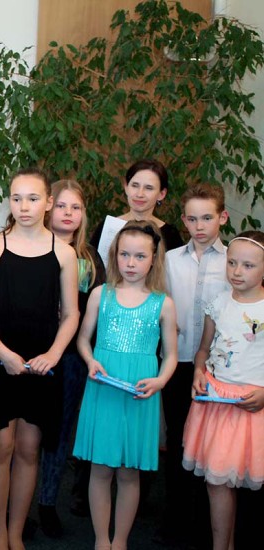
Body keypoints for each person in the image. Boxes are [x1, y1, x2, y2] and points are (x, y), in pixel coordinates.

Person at [0, 168, 79, 550]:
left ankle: (16, 532)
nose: (24, 206)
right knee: (1, 445)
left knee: (30, 448)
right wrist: (3, 354)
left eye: (33, 198)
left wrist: (53, 354)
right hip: (0, 359)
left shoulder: (64, 253)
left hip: (42, 363)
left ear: (48, 202)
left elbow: (71, 314)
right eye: (16, 198)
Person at [72, 221, 178, 550]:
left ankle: (120, 542)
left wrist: (160, 380)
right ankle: (101, 540)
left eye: (140, 256)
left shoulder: (163, 303)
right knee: (101, 468)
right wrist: (90, 361)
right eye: (124, 255)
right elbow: (83, 339)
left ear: (153, 259)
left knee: (130, 472)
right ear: (114, 255)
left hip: (139, 393)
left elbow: (171, 355)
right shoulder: (100, 295)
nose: (131, 263)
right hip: (103, 387)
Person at [182, 231, 264, 550]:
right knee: (217, 482)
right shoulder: (218, 303)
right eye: (232, 263)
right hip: (217, 402)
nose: (237, 271)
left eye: (248, 265)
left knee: (239, 483)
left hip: (252, 407)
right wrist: (198, 371)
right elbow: (204, 349)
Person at [160, 183, 229, 546]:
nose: (199, 226)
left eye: (207, 218)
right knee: (178, 440)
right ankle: (175, 520)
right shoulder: (170, 259)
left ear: (222, 217)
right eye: (192, 219)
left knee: (212, 444)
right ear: (183, 219)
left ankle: (207, 525)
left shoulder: (233, 261)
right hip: (178, 361)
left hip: (219, 369)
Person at [37, 179, 106, 537]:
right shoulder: (31, 246)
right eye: (62, 206)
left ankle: (47, 502)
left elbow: (96, 310)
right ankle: (14, 506)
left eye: (75, 207)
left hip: (71, 359)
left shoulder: (90, 258)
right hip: (31, 352)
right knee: (26, 435)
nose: (68, 213)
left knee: (60, 432)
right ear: (48, 207)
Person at [90, 158, 185, 253]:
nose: (139, 194)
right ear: (126, 187)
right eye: (135, 185)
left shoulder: (170, 235)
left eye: (149, 188)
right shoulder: (108, 227)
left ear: (162, 194)